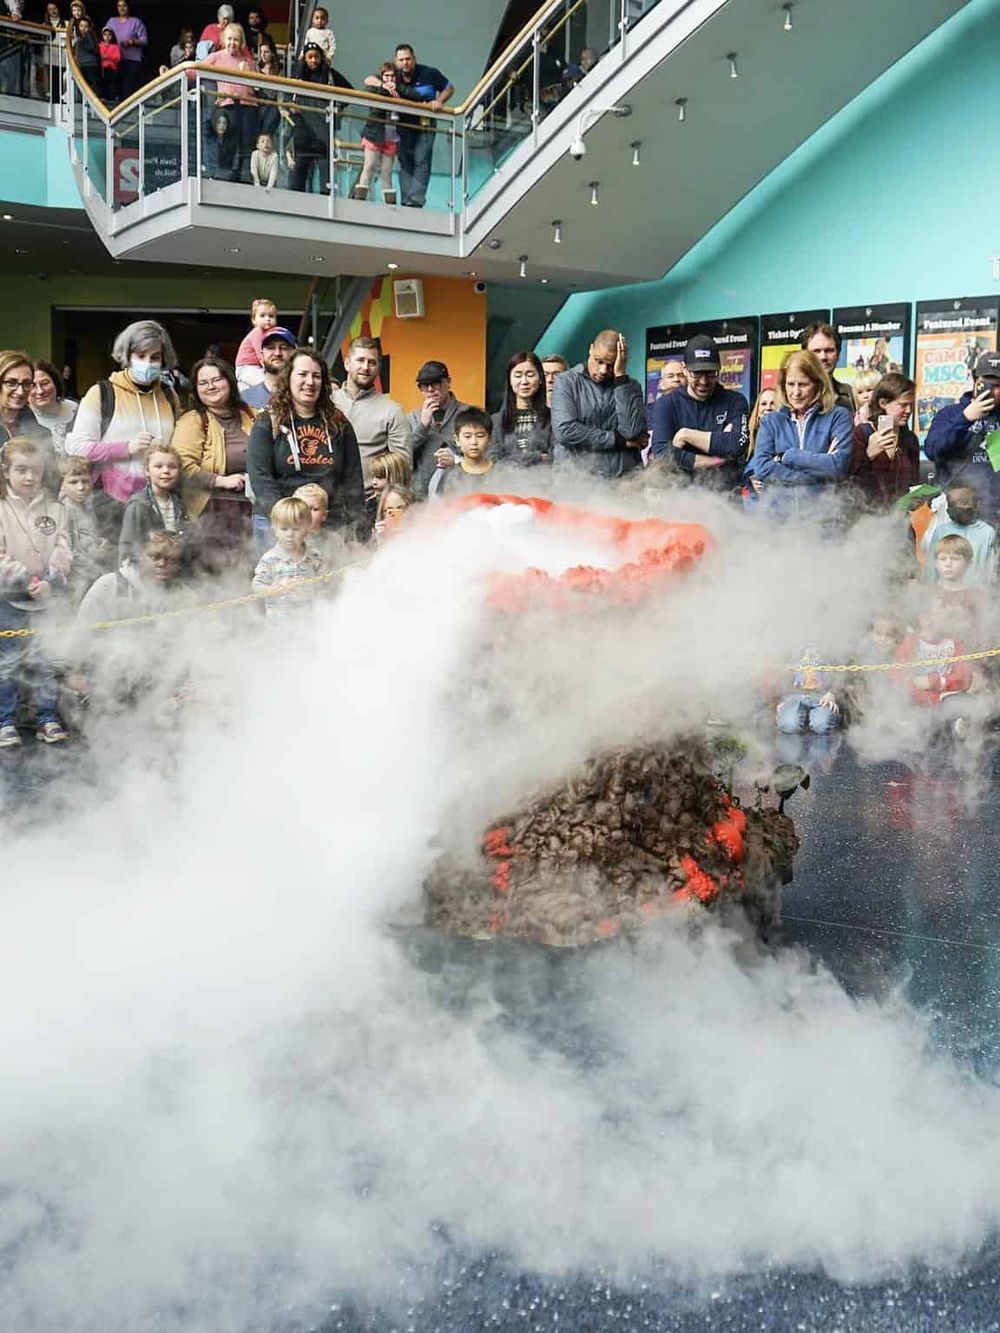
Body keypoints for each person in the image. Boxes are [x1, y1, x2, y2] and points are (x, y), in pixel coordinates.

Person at [247, 348, 366, 551]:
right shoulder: (268, 422)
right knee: (280, 582)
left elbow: (353, 478)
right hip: (279, 525)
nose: (310, 382)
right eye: (302, 374)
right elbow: (260, 477)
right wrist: (289, 522)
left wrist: (357, 532)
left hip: (329, 524)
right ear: (288, 378)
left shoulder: (339, 423)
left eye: (316, 376)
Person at [0, 437, 72, 748]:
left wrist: (52, 580)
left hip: (46, 600)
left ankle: (47, 717)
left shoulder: (56, 509)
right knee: (8, 663)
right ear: (5, 471)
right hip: (9, 601)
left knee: (45, 659)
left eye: (36, 471)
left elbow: (63, 548)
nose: (29, 477)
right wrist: (26, 580)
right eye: (21, 470)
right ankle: (5, 720)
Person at [66, 318, 180, 508]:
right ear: (127, 357)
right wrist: (126, 448)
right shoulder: (102, 393)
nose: (148, 363)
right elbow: (76, 447)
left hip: (159, 501)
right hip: (111, 502)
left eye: (155, 357)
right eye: (141, 355)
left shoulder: (169, 396)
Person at [171, 356, 254, 567]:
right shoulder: (193, 421)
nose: (210, 386)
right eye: (203, 383)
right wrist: (220, 481)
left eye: (216, 379)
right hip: (210, 515)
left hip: (253, 511)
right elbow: (181, 465)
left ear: (229, 381)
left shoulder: (251, 415)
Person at [752, 351, 853, 515]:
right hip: (778, 521)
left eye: (803, 384)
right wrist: (814, 479)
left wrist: (789, 456)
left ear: (818, 384)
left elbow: (837, 466)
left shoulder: (838, 417)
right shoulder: (770, 421)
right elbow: (762, 468)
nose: (796, 392)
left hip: (824, 521)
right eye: (790, 384)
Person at [650, 334, 749, 490]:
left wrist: (686, 435)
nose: (704, 381)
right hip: (682, 497)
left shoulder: (735, 401)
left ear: (719, 369)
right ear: (684, 369)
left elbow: (736, 445)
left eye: (711, 373)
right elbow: (663, 454)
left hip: (727, 498)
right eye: (696, 373)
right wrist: (718, 459)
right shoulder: (666, 404)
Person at [550, 330, 647, 480]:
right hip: (577, 481)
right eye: (599, 361)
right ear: (591, 349)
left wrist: (620, 377)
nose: (603, 370)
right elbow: (565, 430)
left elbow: (632, 433)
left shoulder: (630, 386)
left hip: (624, 482)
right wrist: (617, 440)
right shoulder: (566, 382)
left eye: (611, 364)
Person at [924, 349, 1000, 521]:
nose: (992, 391)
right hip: (958, 514)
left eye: (997, 386)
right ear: (975, 381)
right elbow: (932, 450)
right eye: (986, 383)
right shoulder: (951, 414)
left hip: (995, 513)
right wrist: (965, 418)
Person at [331, 337, 411, 482]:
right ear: (347, 363)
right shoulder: (328, 402)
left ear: (378, 369)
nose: (366, 367)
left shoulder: (392, 411)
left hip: (369, 499)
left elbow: (403, 467)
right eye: (360, 360)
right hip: (325, 497)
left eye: (372, 362)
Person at [391, 43, 453, 208]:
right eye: (401, 59)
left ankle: (416, 200)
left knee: (422, 159)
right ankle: (406, 201)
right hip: (403, 124)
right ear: (396, 61)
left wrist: (439, 101)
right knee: (405, 161)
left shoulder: (429, 73)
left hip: (425, 123)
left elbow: (449, 88)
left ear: (414, 59)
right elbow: (371, 79)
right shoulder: (393, 76)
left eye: (408, 59)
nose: (405, 63)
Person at [288, 43, 352, 194]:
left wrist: (337, 109)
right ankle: (296, 201)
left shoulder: (330, 74)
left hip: (324, 129)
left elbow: (350, 93)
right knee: (300, 168)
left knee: (325, 171)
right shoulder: (298, 75)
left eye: (316, 57)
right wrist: (291, 107)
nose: (313, 60)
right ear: (304, 58)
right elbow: (286, 96)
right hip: (303, 128)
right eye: (310, 57)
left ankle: (325, 200)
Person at [849, 372, 919, 509]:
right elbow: (850, 482)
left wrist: (916, 498)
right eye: (902, 405)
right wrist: (869, 455)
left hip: (899, 521)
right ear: (883, 403)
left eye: (911, 405)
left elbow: (913, 484)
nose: (908, 410)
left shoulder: (910, 440)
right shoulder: (862, 434)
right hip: (866, 521)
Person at [251, 496, 326, 621]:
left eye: (296, 529)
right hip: (279, 624)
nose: (290, 534)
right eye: (284, 529)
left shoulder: (315, 557)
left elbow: (324, 585)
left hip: (310, 622)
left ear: (307, 528)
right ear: (275, 529)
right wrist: (275, 590)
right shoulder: (270, 559)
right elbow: (257, 585)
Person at [201, 23, 258, 182]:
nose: (233, 43)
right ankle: (225, 176)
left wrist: (248, 72)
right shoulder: (216, 57)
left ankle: (244, 177)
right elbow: (194, 71)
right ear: (224, 40)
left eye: (237, 40)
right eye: (230, 39)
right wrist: (170, 71)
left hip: (249, 105)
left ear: (242, 42)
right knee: (228, 143)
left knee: (246, 143)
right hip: (227, 104)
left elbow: (257, 86)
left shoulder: (248, 60)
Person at [59, 455, 119, 600]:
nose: (81, 487)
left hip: (94, 571)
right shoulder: (63, 510)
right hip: (77, 579)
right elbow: (68, 551)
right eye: (73, 482)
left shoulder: (87, 506)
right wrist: (96, 558)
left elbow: (85, 536)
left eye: (85, 481)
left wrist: (97, 543)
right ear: (62, 484)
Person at [118, 443, 188, 567]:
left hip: (171, 567)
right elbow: (127, 545)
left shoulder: (178, 503)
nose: (166, 471)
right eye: (158, 466)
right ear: (147, 471)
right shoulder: (138, 504)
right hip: (146, 568)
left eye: (172, 467)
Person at [407, 360, 470, 495]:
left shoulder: (468, 414)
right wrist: (423, 426)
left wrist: (457, 461)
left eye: (435, 383)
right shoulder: (412, 417)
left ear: (448, 382)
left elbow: (483, 455)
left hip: (459, 494)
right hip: (420, 498)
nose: (430, 390)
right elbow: (403, 455)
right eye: (424, 385)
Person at [921, 483, 997, 587]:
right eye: (952, 503)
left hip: (977, 594)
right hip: (944, 594)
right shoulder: (941, 531)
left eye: (962, 502)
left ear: (976, 505)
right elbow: (931, 567)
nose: (957, 507)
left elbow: (991, 570)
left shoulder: (987, 533)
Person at [491, 351, 552, 466]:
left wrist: (511, 459)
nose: (524, 381)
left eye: (530, 375)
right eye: (518, 375)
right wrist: (537, 457)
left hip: (544, 482)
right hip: (506, 482)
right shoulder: (496, 421)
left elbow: (555, 458)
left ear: (540, 379)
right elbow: (493, 461)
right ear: (510, 380)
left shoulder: (553, 419)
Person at [352, 63, 401, 204]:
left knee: (387, 171)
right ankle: (359, 201)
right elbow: (368, 82)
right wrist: (384, 88)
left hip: (392, 135)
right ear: (382, 76)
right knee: (370, 166)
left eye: (392, 76)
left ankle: (390, 206)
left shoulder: (400, 90)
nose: (390, 79)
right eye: (387, 76)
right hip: (375, 133)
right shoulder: (376, 88)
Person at [429, 407, 495, 498]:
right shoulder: (449, 475)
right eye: (467, 436)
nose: (474, 442)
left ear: (490, 439)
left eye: (480, 436)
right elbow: (442, 508)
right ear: (457, 440)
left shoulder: (501, 471)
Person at [776, 646, 841, 737]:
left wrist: (832, 693)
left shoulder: (831, 647)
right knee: (788, 725)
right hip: (795, 695)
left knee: (822, 726)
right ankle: (802, 718)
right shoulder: (791, 646)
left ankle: (825, 717)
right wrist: (783, 698)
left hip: (822, 697)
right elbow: (782, 674)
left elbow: (843, 674)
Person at [0, 351, 53, 461]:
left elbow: (48, 475)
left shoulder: (41, 434)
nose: (20, 391)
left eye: (26, 384)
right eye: (11, 382)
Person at [800, 322, 854, 413]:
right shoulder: (792, 395)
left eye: (829, 351)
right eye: (816, 351)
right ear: (805, 356)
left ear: (838, 355)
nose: (823, 357)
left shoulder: (849, 393)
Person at [30, 359, 78, 456]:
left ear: (56, 383)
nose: (40, 391)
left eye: (45, 383)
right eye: (32, 386)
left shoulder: (80, 411)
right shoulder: (21, 417)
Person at [241, 326, 294, 411]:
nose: (277, 353)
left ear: (294, 353)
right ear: (261, 355)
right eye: (270, 348)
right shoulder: (244, 398)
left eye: (284, 347)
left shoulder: (304, 395)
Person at [102, 0, 146, 99]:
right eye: (119, 6)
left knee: (128, 89)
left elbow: (144, 40)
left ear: (128, 7)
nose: (121, 8)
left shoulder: (136, 22)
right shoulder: (112, 21)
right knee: (115, 88)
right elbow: (105, 35)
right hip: (114, 61)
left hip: (132, 60)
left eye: (124, 5)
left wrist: (132, 42)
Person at [742, 386, 778, 503]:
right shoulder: (746, 437)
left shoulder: (787, 436)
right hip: (751, 507)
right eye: (763, 404)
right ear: (757, 411)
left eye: (773, 403)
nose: (768, 407)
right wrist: (749, 477)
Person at [235, 297, 277, 391]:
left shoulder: (269, 334)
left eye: (271, 316)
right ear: (254, 320)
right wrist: (270, 370)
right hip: (246, 368)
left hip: (256, 368)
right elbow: (261, 354)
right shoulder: (257, 333)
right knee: (268, 383)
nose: (267, 319)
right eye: (262, 316)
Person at [73, 16, 102, 94]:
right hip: (80, 65)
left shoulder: (90, 37)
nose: (83, 28)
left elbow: (90, 47)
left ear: (89, 28)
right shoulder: (77, 40)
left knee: (93, 86)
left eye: (86, 26)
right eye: (81, 26)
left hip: (90, 64)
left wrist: (85, 37)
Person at [97, 24, 120, 102]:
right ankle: (103, 97)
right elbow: (98, 55)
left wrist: (107, 57)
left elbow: (117, 57)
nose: (107, 37)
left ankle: (112, 98)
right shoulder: (100, 45)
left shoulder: (115, 46)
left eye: (109, 35)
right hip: (102, 68)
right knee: (102, 83)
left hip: (111, 69)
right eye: (105, 35)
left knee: (111, 84)